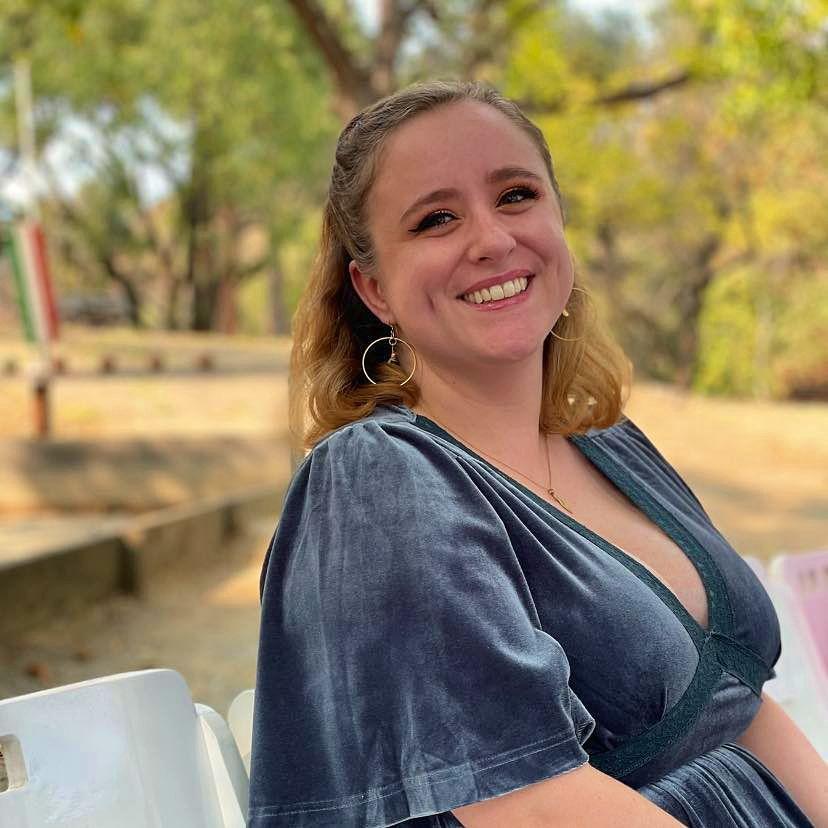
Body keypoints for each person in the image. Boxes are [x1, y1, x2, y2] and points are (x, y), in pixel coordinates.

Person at [248, 80, 827, 827]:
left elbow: (740, 710)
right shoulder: (375, 481)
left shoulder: (615, 449)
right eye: (436, 219)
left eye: (516, 195)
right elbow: (528, 809)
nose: (491, 239)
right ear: (374, 288)